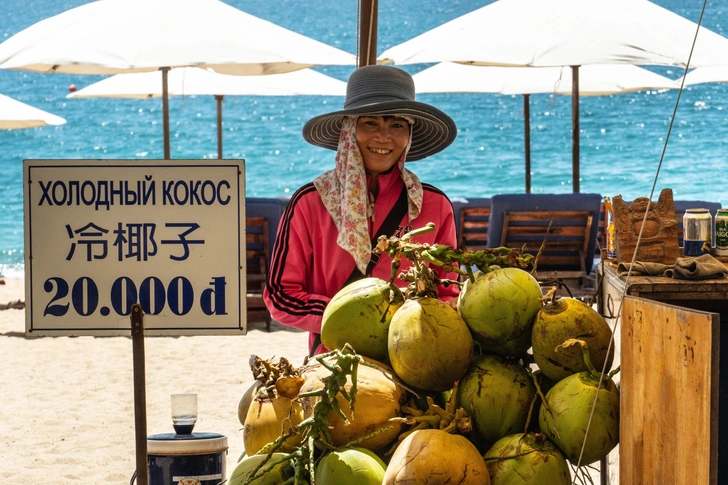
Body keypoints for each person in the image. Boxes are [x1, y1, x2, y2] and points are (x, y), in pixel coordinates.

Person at [263, 65, 460, 356]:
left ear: (409, 135)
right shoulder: (309, 202)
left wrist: (407, 323)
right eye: (370, 123)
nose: (384, 137)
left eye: (397, 125)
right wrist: (353, 318)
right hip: (333, 360)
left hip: (416, 360)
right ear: (349, 129)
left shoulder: (434, 204)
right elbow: (280, 296)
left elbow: (448, 294)